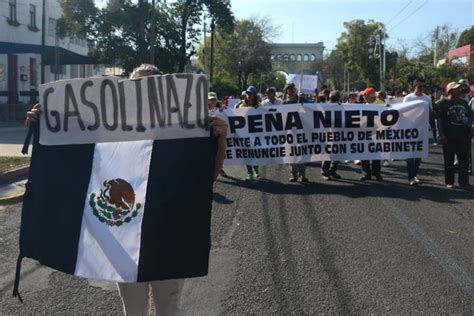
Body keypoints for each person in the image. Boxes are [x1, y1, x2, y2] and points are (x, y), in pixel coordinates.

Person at [26, 63, 229, 316]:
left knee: (169, 309)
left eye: (150, 87)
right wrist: (43, 126)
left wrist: (220, 141)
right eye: (135, 88)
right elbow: (70, 165)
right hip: (124, 239)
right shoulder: (108, 134)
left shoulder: (183, 134)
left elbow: (204, 180)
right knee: (133, 310)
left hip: (169, 236)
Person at [435, 81, 472, 189]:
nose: (459, 90)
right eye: (456, 89)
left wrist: (469, 130)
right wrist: (441, 135)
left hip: (463, 136)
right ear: (450, 91)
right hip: (449, 137)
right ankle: (449, 182)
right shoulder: (443, 104)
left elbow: (469, 116)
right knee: (449, 161)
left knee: (464, 161)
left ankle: (464, 183)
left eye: (459, 88)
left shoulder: (464, 102)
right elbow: (439, 120)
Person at [403, 78, 432, 186]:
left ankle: (414, 174)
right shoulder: (408, 98)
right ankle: (411, 177)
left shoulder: (427, 98)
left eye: (423, 86)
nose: (422, 89)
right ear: (414, 87)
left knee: (419, 153)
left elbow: (429, 112)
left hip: (422, 129)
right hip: (410, 129)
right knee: (410, 154)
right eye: (419, 86)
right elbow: (403, 112)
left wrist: (428, 123)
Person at [283, 83, 308, 182]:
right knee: (291, 154)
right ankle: (294, 174)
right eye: (288, 89)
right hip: (289, 132)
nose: (290, 91)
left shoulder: (301, 101)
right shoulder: (284, 103)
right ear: (286, 91)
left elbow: (313, 109)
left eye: (292, 89)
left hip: (300, 131)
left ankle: (302, 175)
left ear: (295, 89)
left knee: (301, 154)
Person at [236, 85, 261, 181]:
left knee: (254, 152)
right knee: (246, 153)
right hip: (244, 133)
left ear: (254, 95)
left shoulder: (259, 106)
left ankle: (256, 168)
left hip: (255, 133)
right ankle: (249, 172)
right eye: (248, 93)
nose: (249, 95)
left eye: (251, 93)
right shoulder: (241, 105)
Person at [359, 87, 383, 181]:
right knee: (364, 153)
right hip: (365, 133)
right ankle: (366, 174)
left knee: (376, 154)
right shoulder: (364, 105)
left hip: (377, 133)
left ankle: (376, 173)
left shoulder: (380, 104)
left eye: (365, 95)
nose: (363, 96)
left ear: (371, 95)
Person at [321, 90, 342, 180]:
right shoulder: (325, 107)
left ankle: (332, 171)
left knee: (337, 153)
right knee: (328, 153)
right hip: (328, 134)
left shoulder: (341, 107)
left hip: (338, 133)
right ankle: (325, 172)